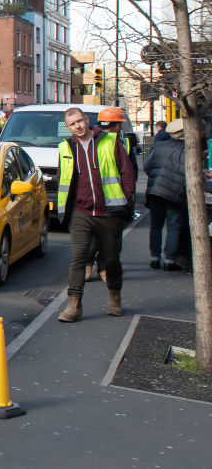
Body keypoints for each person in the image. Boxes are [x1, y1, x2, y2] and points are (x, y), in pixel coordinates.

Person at [56, 106, 136, 323]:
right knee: (78, 258)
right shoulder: (65, 147)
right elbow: (63, 179)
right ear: (68, 127)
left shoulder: (109, 141)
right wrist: (65, 210)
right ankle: (74, 305)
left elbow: (127, 174)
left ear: (87, 120)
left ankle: (114, 295)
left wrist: (126, 202)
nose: (78, 126)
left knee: (111, 259)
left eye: (80, 121)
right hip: (81, 212)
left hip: (109, 212)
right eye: (72, 124)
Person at [83, 106, 138, 281]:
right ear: (115, 125)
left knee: (92, 235)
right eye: (120, 124)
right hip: (114, 201)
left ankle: (88, 266)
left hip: (91, 200)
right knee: (111, 238)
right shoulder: (118, 142)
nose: (121, 127)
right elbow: (130, 174)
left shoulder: (87, 140)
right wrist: (127, 198)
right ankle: (103, 268)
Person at [144, 118, 187, 271]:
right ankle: (170, 260)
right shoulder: (187, 149)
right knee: (174, 227)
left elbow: (147, 166)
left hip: (155, 191)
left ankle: (154, 258)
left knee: (155, 226)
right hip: (175, 194)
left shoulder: (159, 146)